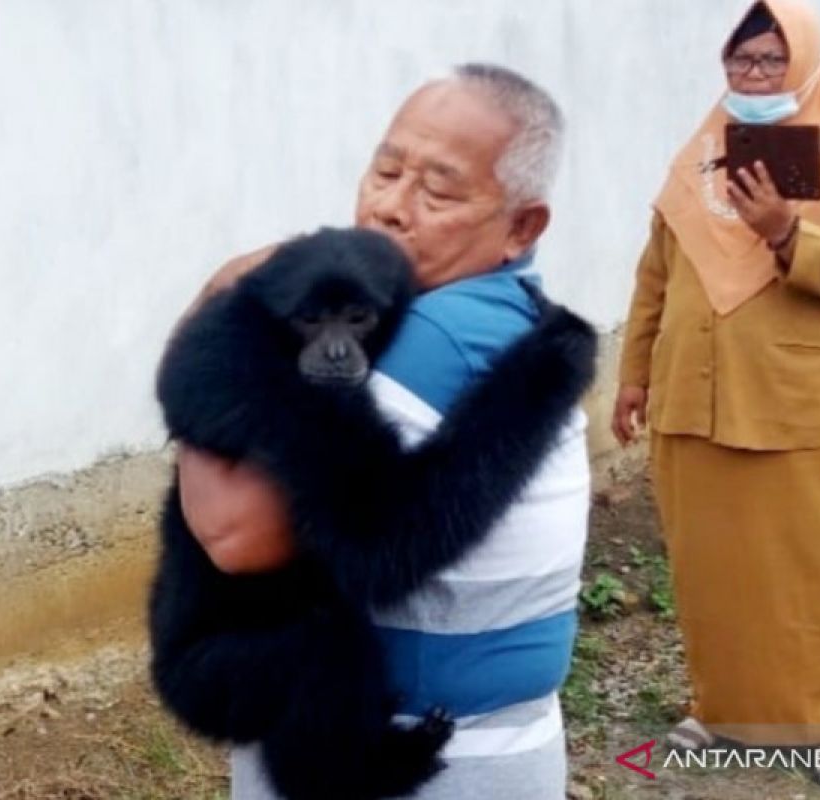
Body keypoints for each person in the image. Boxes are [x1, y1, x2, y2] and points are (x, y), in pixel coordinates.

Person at [177, 64, 590, 799]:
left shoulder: (431, 335)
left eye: (436, 190)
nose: (391, 208)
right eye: (386, 170)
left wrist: (228, 305)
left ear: (521, 225)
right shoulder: (508, 313)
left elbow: (235, 533)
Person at [611, 0, 820, 780]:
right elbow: (658, 275)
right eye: (740, 60)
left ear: (805, 63)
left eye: (770, 60)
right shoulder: (701, 155)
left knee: (818, 570)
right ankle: (723, 711)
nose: (752, 75)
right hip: (696, 404)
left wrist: (787, 231)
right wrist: (635, 372)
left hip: (803, 408)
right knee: (715, 573)